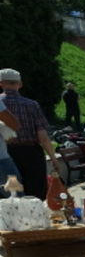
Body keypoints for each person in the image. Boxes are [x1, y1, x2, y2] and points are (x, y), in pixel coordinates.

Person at [0, 68, 60, 197]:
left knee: (12, 194)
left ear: (1, 84)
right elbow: (43, 137)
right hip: (31, 153)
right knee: (35, 193)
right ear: (20, 84)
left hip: (7, 154)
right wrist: (53, 158)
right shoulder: (32, 105)